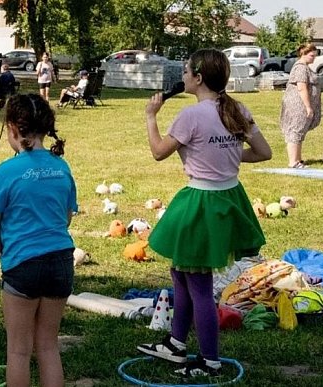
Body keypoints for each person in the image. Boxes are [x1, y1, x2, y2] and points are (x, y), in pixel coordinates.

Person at [136, 49, 271, 377]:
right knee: (182, 275)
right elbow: (264, 152)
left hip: (201, 203)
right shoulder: (237, 109)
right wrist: (230, 158)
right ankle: (176, 344)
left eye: (185, 72)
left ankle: (210, 362)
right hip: (228, 198)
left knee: (198, 285)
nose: (182, 77)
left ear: (197, 78)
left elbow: (158, 153)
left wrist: (152, 116)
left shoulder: (190, 116)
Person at [0, 93, 76, 387]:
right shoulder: (62, 168)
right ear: (47, 128)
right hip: (61, 261)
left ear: (12, 128)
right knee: (48, 345)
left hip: (23, 264)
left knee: (19, 350)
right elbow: (66, 217)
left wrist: (1, 246)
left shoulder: (7, 171)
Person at [280, 43, 320, 168]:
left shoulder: (306, 67)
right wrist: (308, 106)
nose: (314, 58)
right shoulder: (300, 68)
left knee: (301, 131)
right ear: (303, 53)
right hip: (298, 105)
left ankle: (298, 159)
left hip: (303, 104)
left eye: (315, 56)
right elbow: (302, 88)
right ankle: (293, 161)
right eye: (312, 55)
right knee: (295, 130)